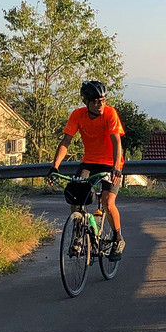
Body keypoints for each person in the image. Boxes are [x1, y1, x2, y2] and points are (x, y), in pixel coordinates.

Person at [50, 80, 126, 260]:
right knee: (76, 197)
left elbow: (116, 141)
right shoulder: (77, 115)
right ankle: (78, 237)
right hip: (89, 162)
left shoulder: (110, 113)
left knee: (108, 202)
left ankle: (117, 239)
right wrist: (55, 166)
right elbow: (66, 141)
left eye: (103, 100)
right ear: (86, 102)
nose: (101, 104)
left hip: (110, 163)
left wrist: (116, 167)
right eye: (96, 101)